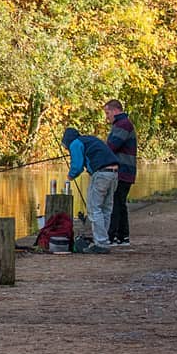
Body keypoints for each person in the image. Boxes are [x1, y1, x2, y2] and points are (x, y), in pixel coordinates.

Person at [63, 126, 121, 248]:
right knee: (106, 209)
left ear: (67, 141)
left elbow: (77, 166)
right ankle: (104, 240)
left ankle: (100, 243)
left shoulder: (75, 143)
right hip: (114, 173)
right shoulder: (88, 140)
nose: (68, 150)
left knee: (94, 209)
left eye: (66, 147)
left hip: (101, 174)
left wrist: (70, 176)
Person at [103, 99, 137, 247]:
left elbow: (112, 146)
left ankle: (111, 236)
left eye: (107, 112)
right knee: (120, 204)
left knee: (115, 203)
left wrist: (99, 151)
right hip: (126, 171)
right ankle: (123, 237)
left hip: (123, 171)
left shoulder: (123, 125)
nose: (107, 116)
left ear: (116, 110)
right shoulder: (122, 124)